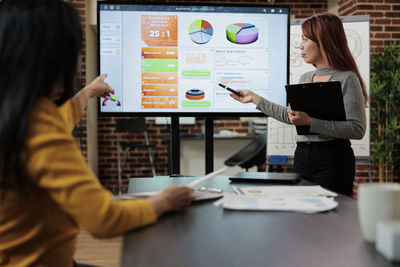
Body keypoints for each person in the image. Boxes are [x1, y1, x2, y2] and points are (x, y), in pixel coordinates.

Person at [0, 1, 195, 266]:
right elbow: (104, 219)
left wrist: (88, 92)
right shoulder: (39, 125)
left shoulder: (15, 114)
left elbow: (54, 123)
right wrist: (164, 201)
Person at [230, 12, 367, 197]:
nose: (300, 45)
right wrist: (255, 98)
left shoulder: (347, 79)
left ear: (324, 41)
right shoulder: (306, 78)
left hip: (334, 160)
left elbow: (356, 129)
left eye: (305, 39)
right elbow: (291, 116)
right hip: (302, 156)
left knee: (328, 219)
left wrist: (311, 122)